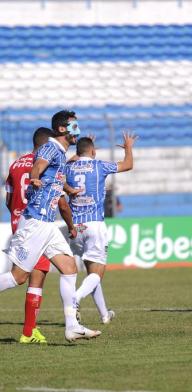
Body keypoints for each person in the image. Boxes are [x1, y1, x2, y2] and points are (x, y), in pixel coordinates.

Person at [1, 110, 101, 342]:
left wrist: (69, 189)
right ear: (63, 129)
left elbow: (55, 177)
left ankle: (72, 326)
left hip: (46, 224)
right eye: (74, 126)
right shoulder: (50, 147)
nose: (79, 130)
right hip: (35, 222)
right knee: (18, 277)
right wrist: (35, 176)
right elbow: (39, 165)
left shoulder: (61, 153)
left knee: (69, 268)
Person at [5, 127, 77, 344]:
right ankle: (29, 331)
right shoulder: (46, 162)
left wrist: (19, 218)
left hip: (21, 222)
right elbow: (61, 202)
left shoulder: (16, 164)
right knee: (26, 278)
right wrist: (70, 224)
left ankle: (29, 332)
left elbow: (8, 199)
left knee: (31, 275)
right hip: (38, 224)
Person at [64, 132, 137, 323]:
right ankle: (75, 298)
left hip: (75, 227)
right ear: (94, 151)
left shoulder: (68, 167)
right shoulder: (99, 165)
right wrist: (128, 146)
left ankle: (105, 315)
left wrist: (81, 150)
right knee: (97, 273)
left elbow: (74, 159)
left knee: (91, 274)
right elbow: (128, 165)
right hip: (94, 224)